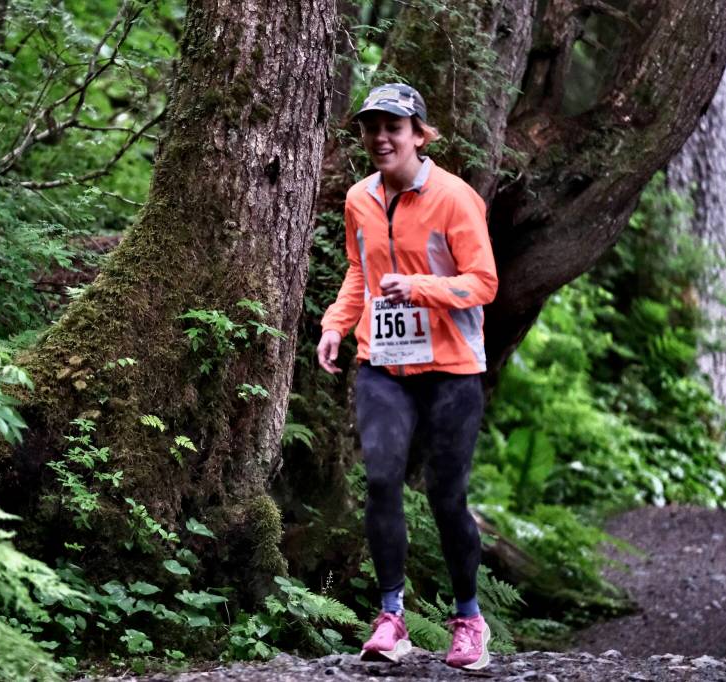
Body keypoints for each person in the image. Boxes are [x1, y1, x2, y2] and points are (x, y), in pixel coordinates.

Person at [317, 83, 497, 670]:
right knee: (381, 479)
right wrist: (336, 325)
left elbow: (484, 283)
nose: (380, 138)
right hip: (384, 364)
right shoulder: (359, 199)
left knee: (447, 499)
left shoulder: (454, 198)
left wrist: (420, 287)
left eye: (393, 127)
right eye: (371, 127)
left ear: (420, 134)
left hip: (451, 370)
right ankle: (392, 616)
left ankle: (469, 619)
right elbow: (358, 272)